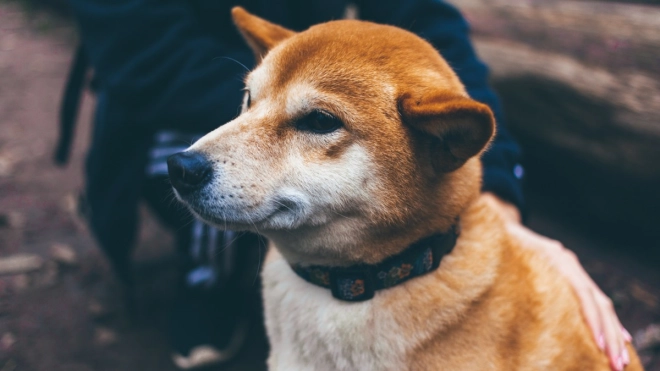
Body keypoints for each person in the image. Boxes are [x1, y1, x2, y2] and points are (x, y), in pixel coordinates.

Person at [56, 0, 631, 369]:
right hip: (163, 96)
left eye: (317, 123)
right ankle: (206, 279)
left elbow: (429, 26)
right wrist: (290, 81)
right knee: (198, 162)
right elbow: (141, 58)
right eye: (249, 97)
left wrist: (500, 198)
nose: (203, 160)